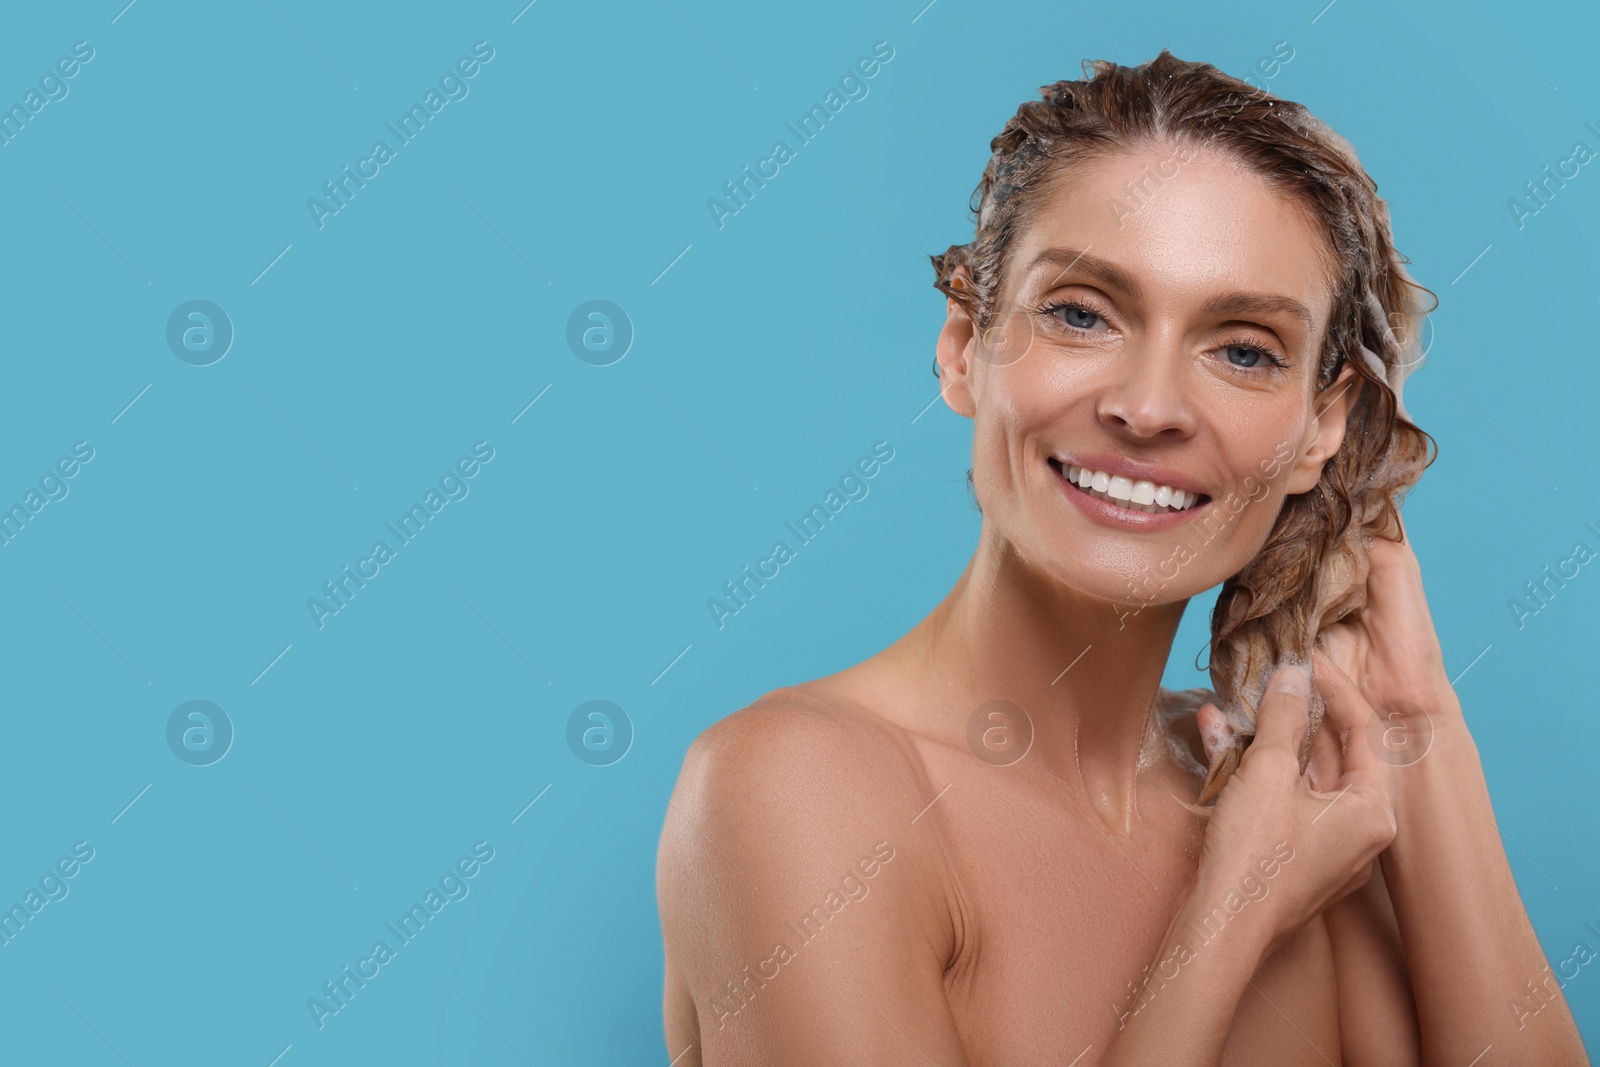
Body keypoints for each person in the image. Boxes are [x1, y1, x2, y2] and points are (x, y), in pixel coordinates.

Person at [655, 50, 1589, 1065]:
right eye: (1080, 313)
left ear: (1322, 427)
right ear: (966, 343)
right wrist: (1227, 917)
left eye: (1242, 349)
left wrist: (1418, 732)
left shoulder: (1286, 805)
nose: (1146, 406)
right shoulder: (797, 785)